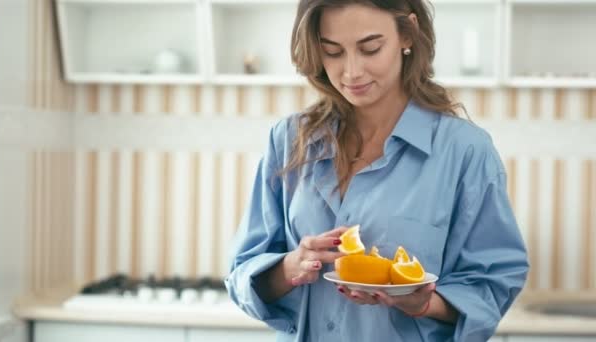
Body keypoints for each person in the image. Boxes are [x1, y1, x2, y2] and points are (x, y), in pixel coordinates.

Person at [225, 0, 529, 341]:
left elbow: (495, 281)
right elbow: (241, 272)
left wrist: (425, 304)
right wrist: (290, 268)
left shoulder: (465, 151)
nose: (351, 72)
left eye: (370, 48)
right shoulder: (289, 140)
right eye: (333, 52)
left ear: (407, 34)